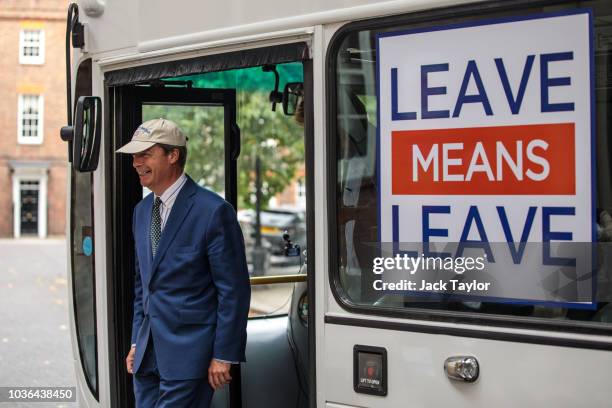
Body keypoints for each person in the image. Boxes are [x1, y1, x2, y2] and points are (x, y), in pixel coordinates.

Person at [116, 118, 251, 407]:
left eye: (145, 154)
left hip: (190, 357)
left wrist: (223, 354)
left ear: (173, 155)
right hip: (147, 358)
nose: (136, 162)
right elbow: (144, 287)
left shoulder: (214, 211)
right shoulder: (141, 211)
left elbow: (234, 290)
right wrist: (137, 343)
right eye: (134, 156)